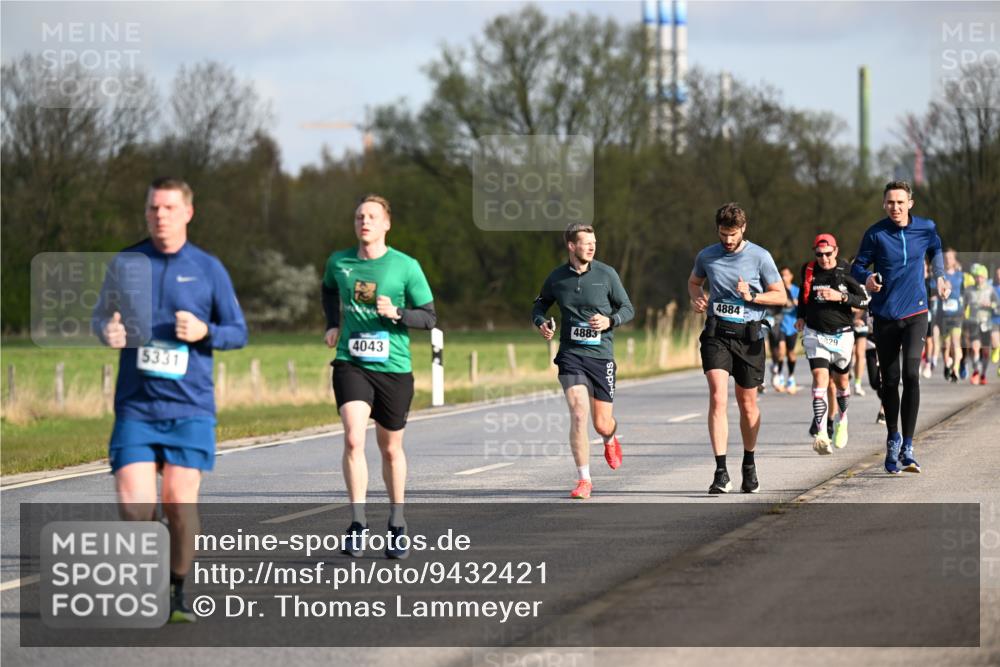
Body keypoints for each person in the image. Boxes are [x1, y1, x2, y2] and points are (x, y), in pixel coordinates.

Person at [93, 177, 248, 623]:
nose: (159, 215)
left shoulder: (207, 268)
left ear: (187, 213)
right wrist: (108, 331)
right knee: (135, 507)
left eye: (168, 208)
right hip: (137, 406)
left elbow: (238, 331)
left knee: (179, 503)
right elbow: (101, 316)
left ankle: (177, 589)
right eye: (152, 209)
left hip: (190, 408)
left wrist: (206, 332)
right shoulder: (126, 262)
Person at [322, 194, 436, 558]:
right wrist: (332, 324)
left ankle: (397, 522)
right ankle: (357, 523)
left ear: (387, 223)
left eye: (372, 216)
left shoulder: (405, 266)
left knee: (390, 449)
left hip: (394, 369)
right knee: (354, 439)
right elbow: (327, 289)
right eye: (359, 216)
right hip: (351, 363)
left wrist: (398, 313)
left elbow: (430, 317)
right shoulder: (339, 262)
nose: (364, 222)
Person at [851, 180, 949, 475]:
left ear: (910, 203)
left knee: (911, 374)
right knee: (890, 380)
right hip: (884, 315)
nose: (895, 207)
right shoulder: (876, 233)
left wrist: (940, 276)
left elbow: (936, 247)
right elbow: (857, 266)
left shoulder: (925, 227)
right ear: (884, 204)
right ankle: (892, 437)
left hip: (917, 311)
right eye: (890, 202)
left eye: (900, 202)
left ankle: (908, 444)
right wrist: (865, 279)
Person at [688, 203, 785, 494]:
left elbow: (779, 296)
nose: (727, 240)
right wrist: (697, 297)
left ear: (743, 229)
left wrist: (753, 296)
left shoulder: (760, 256)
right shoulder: (707, 255)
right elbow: (694, 282)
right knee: (718, 397)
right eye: (722, 234)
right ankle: (720, 472)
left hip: (749, 337)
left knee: (747, 404)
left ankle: (749, 463)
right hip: (717, 334)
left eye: (732, 235)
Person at [532, 223, 633, 499]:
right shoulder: (557, 278)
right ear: (571, 246)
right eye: (586, 243)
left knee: (601, 423)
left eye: (594, 243)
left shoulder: (606, 274)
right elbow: (539, 305)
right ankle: (584, 480)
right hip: (571, 355)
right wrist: (542, 323)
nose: (591, 247)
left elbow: (628, 308)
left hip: (601, 357)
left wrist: (609, 320)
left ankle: (610, 438)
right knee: (578, 414)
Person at [795, 234, 870, 454]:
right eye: (819, 255)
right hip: (815, 334)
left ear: (835, 251)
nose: (824, 259)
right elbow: (803, 295)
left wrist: (841, 297)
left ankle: (842, 419)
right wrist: (801, 316)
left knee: (841, 382)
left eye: (828, 254)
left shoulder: (847, 271)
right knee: (820, 377)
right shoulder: (808, 270)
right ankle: (821, 433)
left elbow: (865, 300)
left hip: (842, 335)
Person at [963, 263, 999, 384]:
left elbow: (998, 305)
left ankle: (983, 374)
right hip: (974, 323)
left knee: (985, 352)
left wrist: (991, 305)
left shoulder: (990, 290)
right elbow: (963, 305)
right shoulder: (969, 290)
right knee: (975, 348)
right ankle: (976, 372)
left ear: (985, 277)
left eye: (981, 277)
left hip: (987, 324)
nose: (979, 279)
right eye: (977, 276)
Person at [768, 267, 800, 394]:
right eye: (781, 275)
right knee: (781, 350)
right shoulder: (777, 290)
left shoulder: (796, 290)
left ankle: (791, 376)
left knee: (791, 353)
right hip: (779, 324)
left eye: (786, 275)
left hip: (792, 326)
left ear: (791, 276)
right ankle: (779, 374)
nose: (784, 277)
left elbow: (803, 308)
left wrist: (797, 304)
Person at [939, 249, 965, 382]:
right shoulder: (941, 276)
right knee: (946, 345)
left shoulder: (960, 275)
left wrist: (951, 289)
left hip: (956, 314)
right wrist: (942, 288)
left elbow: (964, 293)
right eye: (946, 258)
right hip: (944, 315)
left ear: (954, 260)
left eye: (950, 258)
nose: (948, 260)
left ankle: (955, 369)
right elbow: (935, 290)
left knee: (955, 342)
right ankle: (947, 364)